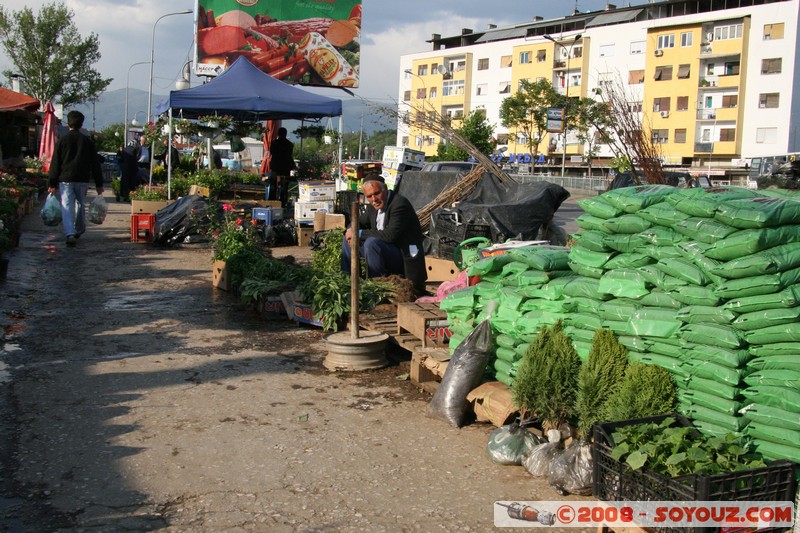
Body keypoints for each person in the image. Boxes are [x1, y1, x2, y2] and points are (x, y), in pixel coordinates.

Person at [341, 177, 427, 295]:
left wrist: (358, 233)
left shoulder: (399, 204)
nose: (374, 199)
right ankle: (348, 281)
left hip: (402, 257)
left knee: (372, 243)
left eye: (377, 193)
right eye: (369, 196)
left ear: (385, 189)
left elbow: (390, 235)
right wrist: (351, 230)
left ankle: (375, 287)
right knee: (347, 240)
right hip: (384, 253)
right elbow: (359, 221)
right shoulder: (373, 206)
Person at [48, 110, 103, 246]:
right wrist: (99, 183)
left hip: (65, 179)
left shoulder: (62, 140)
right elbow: (95, 164)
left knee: (66, 206)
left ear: (68, 123)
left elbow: (55, 163)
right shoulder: (87, 142)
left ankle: (70, 233)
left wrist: (52, 183)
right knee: (80, 204)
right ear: (81, 123)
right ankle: (79, 228)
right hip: (82, 179)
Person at [266, 127, 296, 207]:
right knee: (284, 186)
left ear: (278, 134)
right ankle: (282, 204)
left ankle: (271, 203)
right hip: (285, 167)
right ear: (285, 134)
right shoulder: (289, 144)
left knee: (273, 186)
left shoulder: (274, 143)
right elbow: (290, 156)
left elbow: (272, 153)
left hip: (275, 167)